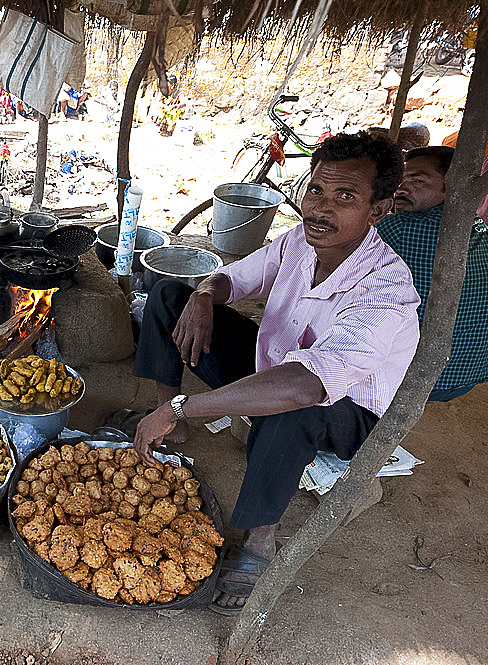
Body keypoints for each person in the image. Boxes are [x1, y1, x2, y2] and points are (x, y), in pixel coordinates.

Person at [132, 132, 419, 614]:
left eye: (345, 197)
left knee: (294, 408)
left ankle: (261, 536)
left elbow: (308, 384)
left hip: (346, 412)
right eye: (316, 191)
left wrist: (187, 404)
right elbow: (234, 277)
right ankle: (174, 428)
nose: (321, 209)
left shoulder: (386, 291)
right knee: (168, 297)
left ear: (379, 210)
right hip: (276, 366)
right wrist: (202, 294)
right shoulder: (298, 243)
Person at [375, 146, 488, 401]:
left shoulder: (401, 229)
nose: (401, 188)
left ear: (453, 185)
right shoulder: (480, 230)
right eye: (401, 179)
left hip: (415, 379)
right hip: (466, 377)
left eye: (417, 180)